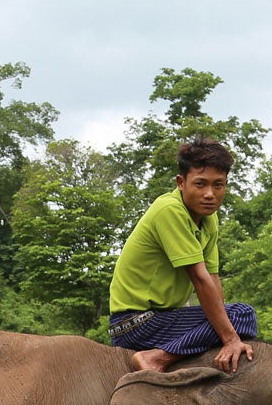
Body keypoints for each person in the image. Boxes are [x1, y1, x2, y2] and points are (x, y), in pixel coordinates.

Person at [107, 137, 258, 373]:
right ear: (181, 182)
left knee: (239, 317)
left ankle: (173, 351)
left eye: (218, 185)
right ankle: (158, 358)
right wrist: (229, 338)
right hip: (135, 323)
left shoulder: (209, 219)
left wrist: (226, 327)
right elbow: (199, 278)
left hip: (166, 318)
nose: (210, 194)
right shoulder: (169, 210)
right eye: (200, 184)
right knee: (242, 314)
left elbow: (213, 278)